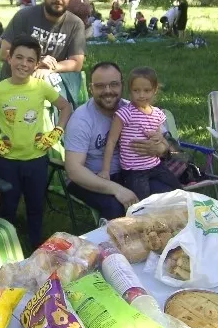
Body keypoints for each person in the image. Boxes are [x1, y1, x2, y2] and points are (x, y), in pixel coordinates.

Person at [0, 36, 72, 250]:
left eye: (30, 60)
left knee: (36, 206)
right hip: (8, 161)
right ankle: (6, 246)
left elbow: (65, 107)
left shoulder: (41, 86)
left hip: (37, 159)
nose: (24, 64)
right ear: (9, 58)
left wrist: (57, 132)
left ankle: (36, 246)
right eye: (19, 57)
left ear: (37, 64)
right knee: (7, 206)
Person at [63, 62, 172, 219]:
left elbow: (168, 143)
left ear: (122, 85)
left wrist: (161, 149)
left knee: (166, 195)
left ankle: (165, 233)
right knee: (116, 207)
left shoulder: (134, 109)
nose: (108, 91)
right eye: (100, 86)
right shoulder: (81, 120)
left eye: (114, 84)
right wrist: (116, 189)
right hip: (92, 177)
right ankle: (116, 235)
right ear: (91, 88)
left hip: (132, 173)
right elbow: (74, 170)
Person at [99, 67, 180, 200]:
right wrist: (105, 171)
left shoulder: (157, 114)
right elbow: (111, 142)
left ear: (155, 90)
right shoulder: (125, 113)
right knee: (142, 202)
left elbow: (160, 136)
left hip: (155, 165)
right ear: (130, 91)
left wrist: (159, 137)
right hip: (134, 171)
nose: (141, 95)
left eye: (146, 90)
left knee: (178, 190)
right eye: (136, 90)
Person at [0, 0, 86, 80]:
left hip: (48, 83)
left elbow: (77, 62)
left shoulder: (75, 24)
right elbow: (4, 52)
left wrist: (50, 68)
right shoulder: (24, 16)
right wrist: (37, 61)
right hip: (13, 82)